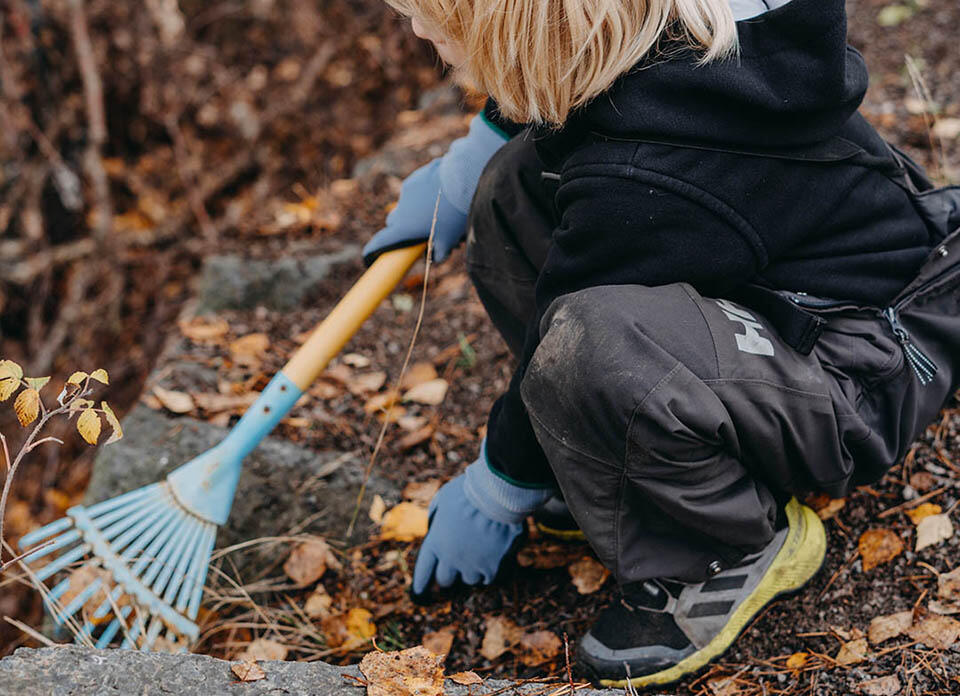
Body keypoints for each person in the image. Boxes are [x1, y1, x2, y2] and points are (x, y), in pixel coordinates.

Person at [363, 0, 960, 688]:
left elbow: (567, 327)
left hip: (852, 366)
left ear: (522, 32)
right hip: (767, 302)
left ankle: (723, 548)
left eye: (437, 22)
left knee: (592, 349)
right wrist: (469, 162)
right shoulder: (650, 32)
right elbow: (557, 61)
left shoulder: (647, 175)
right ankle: (619, 458)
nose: (416, 31)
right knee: (512, 186)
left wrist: (499, 485)